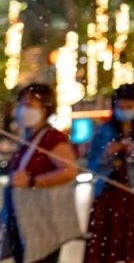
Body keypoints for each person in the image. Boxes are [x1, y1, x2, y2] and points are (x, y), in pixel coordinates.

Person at [1, 83, 78, 263]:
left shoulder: (52, 138)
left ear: (46, 108)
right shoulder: (28, 137)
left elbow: (69, 170)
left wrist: (32, 181)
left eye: (30, 104)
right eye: (21, 103)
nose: (23, 109)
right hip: (25, 221)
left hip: (42, 225)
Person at [83, 84, 134, 263]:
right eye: (120, 107)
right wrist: (106, 154)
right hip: (108, 195)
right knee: (104, 251)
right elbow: (91, 165)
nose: (124, 111)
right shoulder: (103, 130)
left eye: (129, 107)